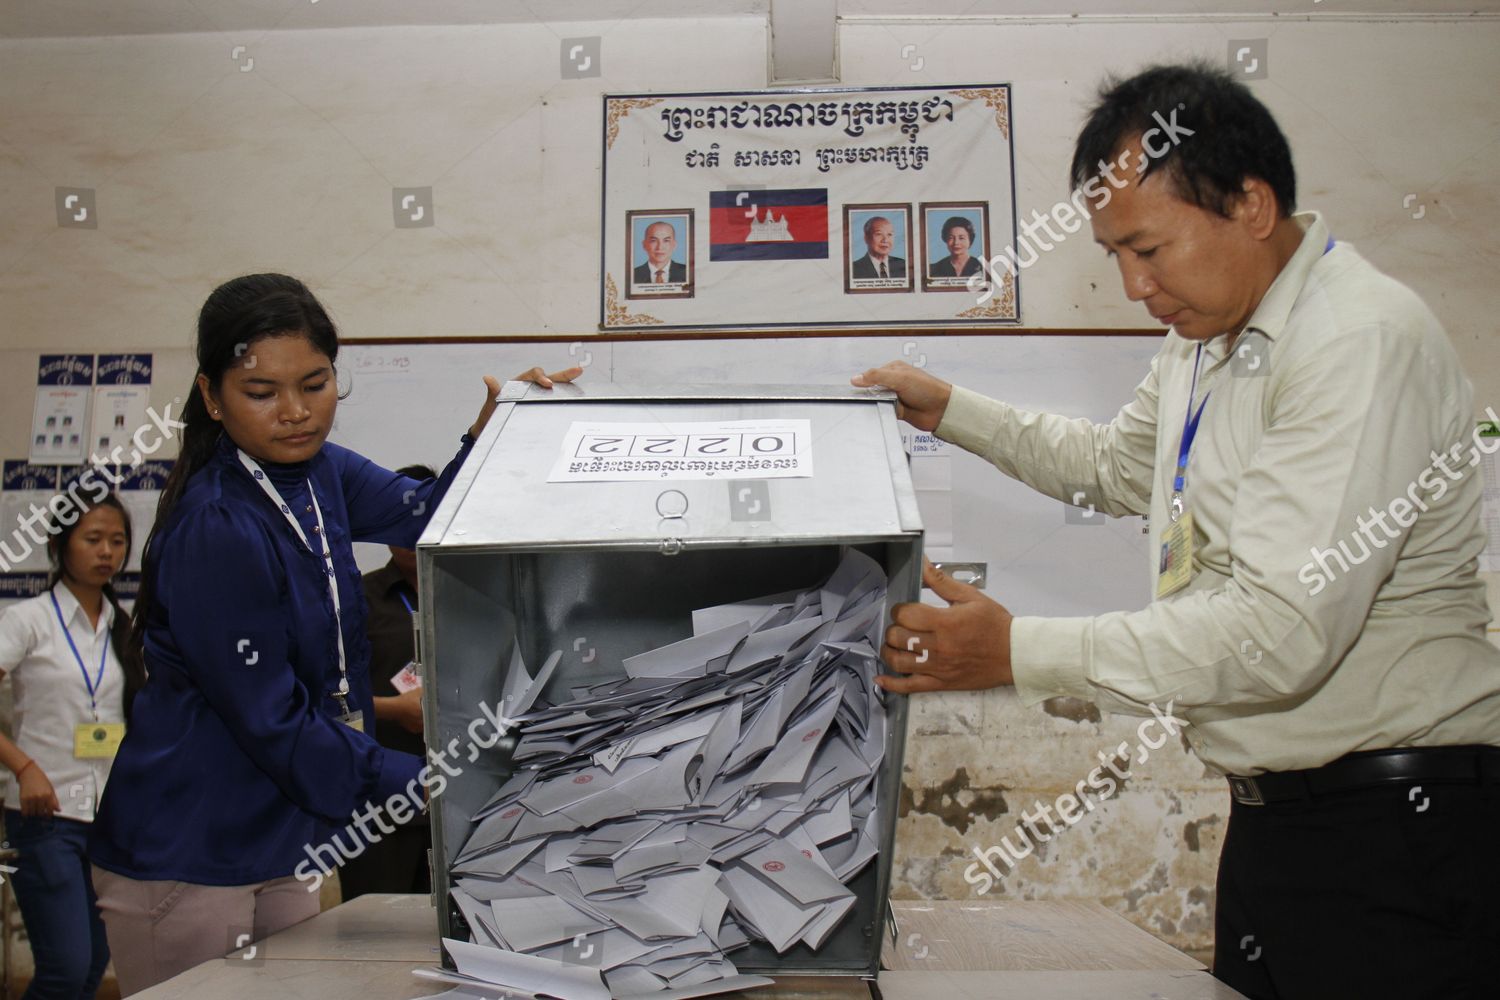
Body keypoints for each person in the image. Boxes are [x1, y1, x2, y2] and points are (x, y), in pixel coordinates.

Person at [854, 63, 1500, 1000]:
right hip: (1278, 822)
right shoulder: (1206, 342)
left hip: (1399, 830)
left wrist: (1014, 650)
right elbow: (1116, 467)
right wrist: (949, 408)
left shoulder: (1356, 341)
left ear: (1250, 203)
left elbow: (1280, 632)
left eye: (1148, 249)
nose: (1132, 285)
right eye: (1114, 255)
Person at [86, 273, 581, 995]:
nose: (295, 412)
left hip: (287, 840)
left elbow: (429, 513)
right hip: (190, 856)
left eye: (315, 385)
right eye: (262, 393)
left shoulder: (319, 475)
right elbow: (276, 726)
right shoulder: (217, 525)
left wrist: (496, 429)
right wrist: (451, 786)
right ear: (211, 396)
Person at [0, 491, 144, 1000]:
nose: (107, 552)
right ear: (61, 544)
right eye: (92, 539)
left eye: (117, 541)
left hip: (108, 819)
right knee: (65, 968)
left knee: (91, 971)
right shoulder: (28, 620)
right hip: (45, 814)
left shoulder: (122, 626)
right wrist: (24, 767)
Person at [338, 465, 434, 902]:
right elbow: (329, 701)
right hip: (377, 800)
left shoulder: (472, 589)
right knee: (371, 927)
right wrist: (395, 709)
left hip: (454, 791)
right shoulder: (356, 596)